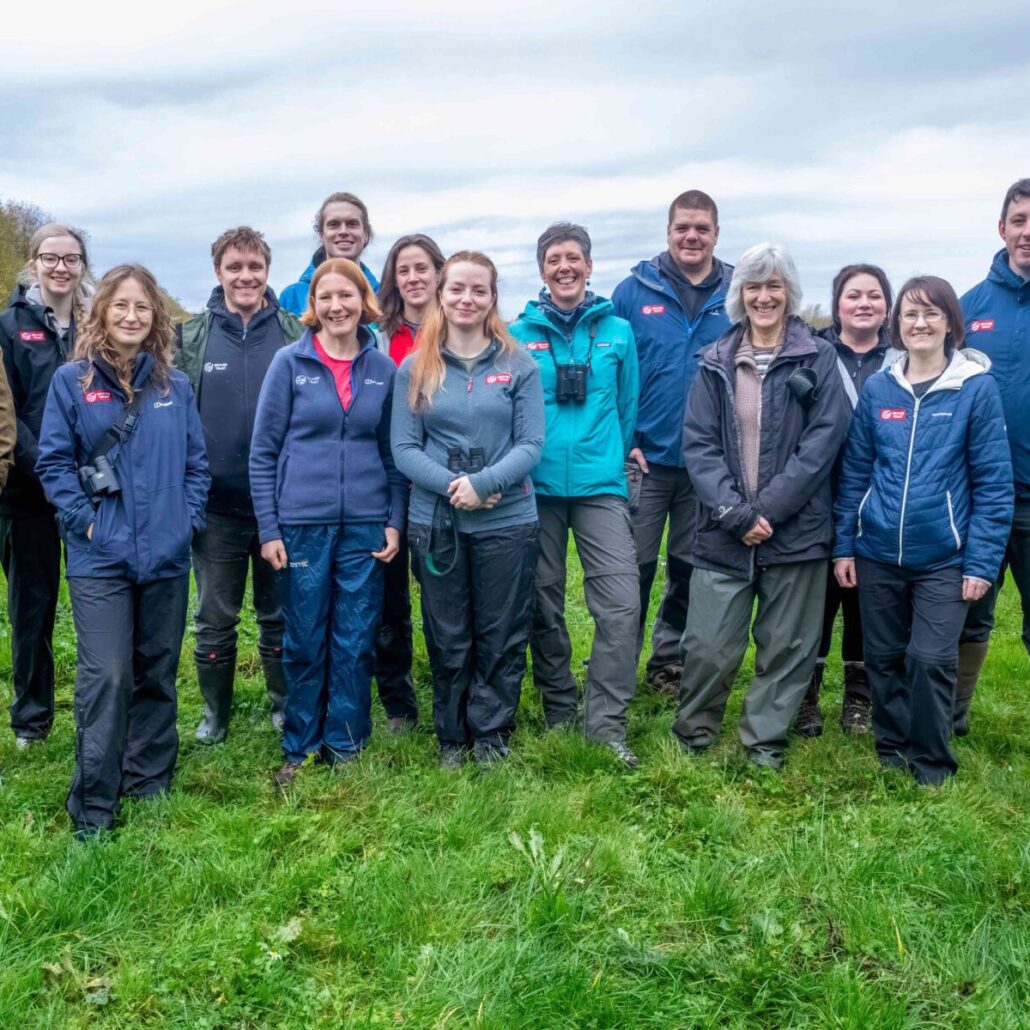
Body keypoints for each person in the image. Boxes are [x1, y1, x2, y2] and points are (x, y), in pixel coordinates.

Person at [36, 265, 210, 837]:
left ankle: (149, 777)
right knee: (107, 674)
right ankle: (93, 803)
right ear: (102, 313)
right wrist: (86, 525)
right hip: (100, 557)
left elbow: (195, 464)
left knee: (157, 669)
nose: (132, 316)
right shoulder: (71, 382)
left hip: (166, 553)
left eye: (143, 307)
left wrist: (186, 521)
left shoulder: (174, 386)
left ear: (156, 316)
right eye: (121, 306)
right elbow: (54, 464)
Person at [671, 243, 850, 769]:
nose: (764, 296)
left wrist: (768, 509)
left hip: (795, 530)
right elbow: (698, 444)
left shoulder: (818, 357)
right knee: (706, 644)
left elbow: (823, 441)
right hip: (723, 530)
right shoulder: (714, 361)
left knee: (787, 645)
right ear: (740, 293)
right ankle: (694, 733)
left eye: (774, 286)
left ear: (789, 293)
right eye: (753, 286)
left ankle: (763, 742)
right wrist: (735, 513)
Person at [833, 276, 1013, 785]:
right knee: (884, 657)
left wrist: (980, 563)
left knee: (930, 658)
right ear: (897, 325)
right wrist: (845, 545)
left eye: (932, 314)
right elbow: (855, 473)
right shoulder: (879, 389)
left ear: (952, 324)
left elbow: (994, 485)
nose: (920, 323)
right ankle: (892, 747)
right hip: (877, 550)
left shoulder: (975, 389)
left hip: (945, 555)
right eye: (910, 315)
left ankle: (932, 761)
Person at [250, 259, 406, 788]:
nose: (336, 306)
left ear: (364, 300)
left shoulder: (382, 368)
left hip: (365, 524)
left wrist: (394, 519)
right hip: (301, 525)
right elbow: (264, 451)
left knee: (356, 636)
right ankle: (300, 744)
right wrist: (269, 528)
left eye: (347, 295)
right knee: (305, 636)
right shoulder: (288, 362)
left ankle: (346, 740)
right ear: (311, 306)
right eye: (325, 297)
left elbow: (392, 451)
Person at [392, 251, 544, 767]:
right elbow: (405, 449)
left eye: (479, 290)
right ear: (441, 293)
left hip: (508, 522)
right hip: (438, 523)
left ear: (492, 298)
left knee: (501, 632)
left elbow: (530, 445)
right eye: (457, 288)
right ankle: (453, 736)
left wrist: (486, 484)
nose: (467, 299)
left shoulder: (519, 365)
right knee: (448, 632)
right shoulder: (416, 367)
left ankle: (492, 733)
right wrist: (458, 488)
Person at [510, 223, 641, 766]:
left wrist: (613, 455)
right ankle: (560, 705)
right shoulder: (517, 333)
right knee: (542, 599)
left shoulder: (618, 333)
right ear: (542, 270)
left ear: (589, 266)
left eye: (574, 259)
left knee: (621, 605)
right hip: (534, 488)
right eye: (553, 260)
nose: (564, 267)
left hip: (600, 486)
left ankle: (605, 723)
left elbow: (627, 408)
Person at [176, 226, 305, 743]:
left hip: (282, 505)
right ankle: (215, 715)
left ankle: (282, 704)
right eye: (235, 267)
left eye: (255, 267)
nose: (245, 276)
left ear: (267, 271)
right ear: (218, 272)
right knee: (214, 616)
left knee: (279, 613)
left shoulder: (296, 332)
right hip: (216, 508)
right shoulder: (190, 337)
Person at [612, 190, 733, 695]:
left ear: (716, 234)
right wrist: (623, 441)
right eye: (683, 227)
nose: (692, 236)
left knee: (687, 569)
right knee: (631, 569)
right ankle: (618, 664)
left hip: (709, 463)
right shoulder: (633, 292)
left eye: (702, 228)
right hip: (645, 459)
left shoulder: (739, 291)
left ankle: (669, 663)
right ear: (668, 232)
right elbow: (609, 374)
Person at [794, 264, 902, 738]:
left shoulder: (902, 357)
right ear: (836, 304)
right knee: (817, 601)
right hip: (819, 497)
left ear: (887, 305)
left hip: (881, 502)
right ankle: (805, 696)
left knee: (864, 602)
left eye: (874, 296)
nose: (864, 303)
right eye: (853, 295)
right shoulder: (813, 353)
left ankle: (859, 699)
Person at [0, 223, 93, 748]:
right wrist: (52, 467)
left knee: (97, 600)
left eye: (71, 258)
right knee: (31, 608)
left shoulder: (95, 324)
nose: (61, 268)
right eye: (50, 258)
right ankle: (31, 719)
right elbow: (7, 409)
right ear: (33, 263)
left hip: (89, 493)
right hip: (26, 495)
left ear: (82, 265)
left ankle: (96, 704)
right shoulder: (8, 327)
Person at [956, 177, 1030, 735]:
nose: (1028, 232)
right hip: (977, 498)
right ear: (1002, 227)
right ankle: (950, 716)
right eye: (1020, 220)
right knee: (967, 615)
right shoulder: (967, 309)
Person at [366, 233, 447, 733]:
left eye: (422, 268)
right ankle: (397, 701)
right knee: (389, 599)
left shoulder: (458, 328)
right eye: (403, 270)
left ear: (439, 271)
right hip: (388, 485)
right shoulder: (377, 336)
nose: (414, 278)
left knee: (442, 597)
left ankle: (449, 687)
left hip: (441, 487)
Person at [279, 192, 380, 316]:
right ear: (321, 235)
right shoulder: (291, 298)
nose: (343, 231)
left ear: (366, 234)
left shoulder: (385, 298)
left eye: (352, 224)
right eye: (334, 225)